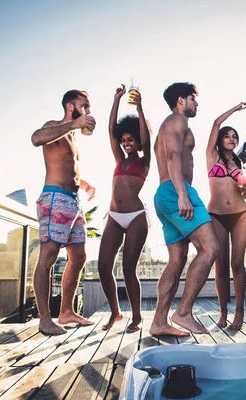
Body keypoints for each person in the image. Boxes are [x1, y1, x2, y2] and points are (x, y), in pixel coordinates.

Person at [150, 82, 220, 336]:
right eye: (193, 98)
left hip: (166, 192)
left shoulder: (171, 123)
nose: (196, 103)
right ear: (181, 100)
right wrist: (182, 194)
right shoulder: (176, 120)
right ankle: (184, 312)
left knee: (177, 260)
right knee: (211, 247)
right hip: (175, 191)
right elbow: (172, 156)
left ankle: (159, 321)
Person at [31, 89, 97, 335]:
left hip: (73, 200)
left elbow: (67, 168)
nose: (88, 111)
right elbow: (36, 138)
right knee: (47, 257)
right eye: (85, 106)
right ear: (71, 107)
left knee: (78, 256)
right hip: (55, 199)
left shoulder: (72, 137)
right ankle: (45, 320)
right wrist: (74, 123)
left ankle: (66, 311)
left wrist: (85, 184)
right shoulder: (54, 126)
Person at [97, 84, 151, 333]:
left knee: (129, 267)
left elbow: (147, 138)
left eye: (131, 139)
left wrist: (138, 106)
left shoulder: (144, 161)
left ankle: (137, 317)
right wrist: (116, 98)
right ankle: (116, 313)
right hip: (114, 217)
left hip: (136, 217)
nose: (126, 142)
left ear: (137, 141)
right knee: (103, 266)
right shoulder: (119, 160)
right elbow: (110, 129)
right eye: (124, 140)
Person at [206, 102, 246, 330]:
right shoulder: (212, 156)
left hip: (241, 214)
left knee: (237, 263)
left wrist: (245, 186)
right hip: (216, 215)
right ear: (220, 139)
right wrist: (235, 109)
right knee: (220, 264)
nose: (232, 138)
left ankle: (240, 312)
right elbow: (216, 123)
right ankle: (223, 313)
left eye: (235, 136)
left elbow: (242, 192)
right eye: (228, 136)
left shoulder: (240, 163)